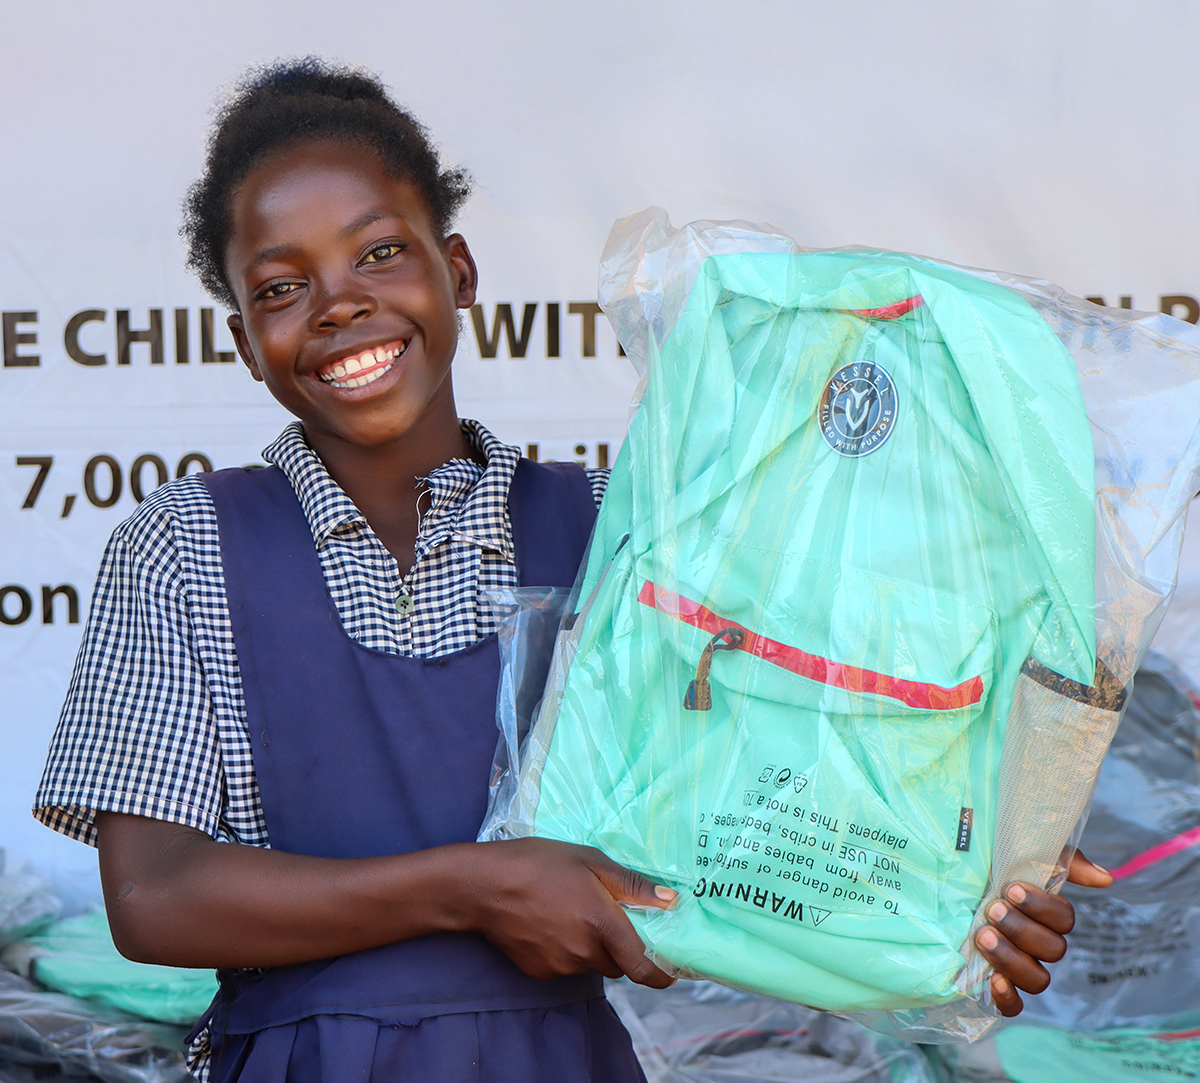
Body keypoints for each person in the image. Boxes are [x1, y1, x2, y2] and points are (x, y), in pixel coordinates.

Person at [34, 59, 1111, 1082]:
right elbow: (154, 896)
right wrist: (475, 886)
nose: (339, 306)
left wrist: (959, 907)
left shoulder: (616, 522)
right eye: (280, 287)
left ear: (455, 270)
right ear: (241, 336)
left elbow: (752, 824)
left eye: (377, 253)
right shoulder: (189, 545)